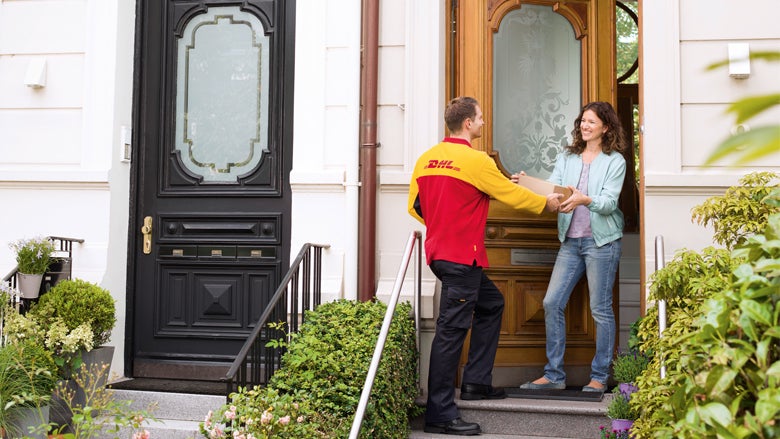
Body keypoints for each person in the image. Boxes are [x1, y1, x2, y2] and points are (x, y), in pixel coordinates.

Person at [408, 96, 562, 435]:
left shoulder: (426, 160)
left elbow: (416, 207)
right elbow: (511, 194)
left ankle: (476, 383)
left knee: (492, 304)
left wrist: (445, 223)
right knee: (450, 333)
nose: (482, 122)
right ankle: (440, 414)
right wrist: (547, 203)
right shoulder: (476, 161)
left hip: (441, 254)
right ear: (467, 124)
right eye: (479, 118)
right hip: (462, 258)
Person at [514, 101, 627, 393]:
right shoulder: (569, 157)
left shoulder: (615, 161)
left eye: (591, 122)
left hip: (602, 243)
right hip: (571, 242)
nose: (584, 126)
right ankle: (554, 375)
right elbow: (554, 187)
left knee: (600, 309)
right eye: (582, 121)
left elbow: (610, 203)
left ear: (606, 127)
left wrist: (584, 199)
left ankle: (600, 376)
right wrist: (526, 184)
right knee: (552, 302)